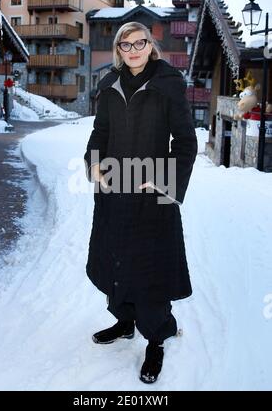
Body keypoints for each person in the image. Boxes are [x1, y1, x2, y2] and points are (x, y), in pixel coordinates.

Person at [84, 22, 198, 384]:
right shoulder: (109, 85)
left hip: (152, 192)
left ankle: (155, 338)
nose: (133, 49)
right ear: (118, 50)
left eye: (140, 42)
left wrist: (165, 180)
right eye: (125, 44)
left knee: (150, 270)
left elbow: (185, 142)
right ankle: (124, 320)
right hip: (115, 189)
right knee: (116, 257)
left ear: (151, 45)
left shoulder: (167, 85)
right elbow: (99, 132)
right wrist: (94, 162)